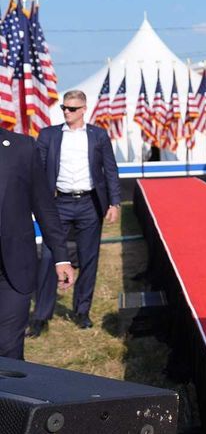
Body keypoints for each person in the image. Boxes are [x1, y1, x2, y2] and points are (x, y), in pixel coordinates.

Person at [32, 90, 120, 333]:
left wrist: (114, 203)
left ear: (83, 109)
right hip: (58, 204)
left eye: (71, 108)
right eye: (63, 108)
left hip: (89, 204)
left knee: (89, 258)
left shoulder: (98, 135)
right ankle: (41, 315)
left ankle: (82, 311)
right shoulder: (48, 135)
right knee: (49, 257)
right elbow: (37, 170)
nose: (66, 112)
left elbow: (110, 171)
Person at [0, 127, 74, 358]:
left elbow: (44, 206)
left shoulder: (22, 147)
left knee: (8, 347)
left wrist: (61, 256)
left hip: (13, 267)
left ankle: (10, 394)